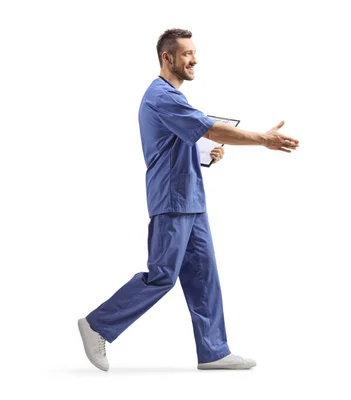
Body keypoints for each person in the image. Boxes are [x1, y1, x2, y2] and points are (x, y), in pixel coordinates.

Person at [78, 28, 299, 372]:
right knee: (162, 275)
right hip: (172, 198)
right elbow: (209, 128)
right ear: (167, 58)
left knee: (203, 274)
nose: (194, 59)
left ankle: (214, 351)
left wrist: (204, 152)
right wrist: (263, 139)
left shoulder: (171, 97)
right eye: (186, 54)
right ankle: (98, 325)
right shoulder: (162, 96)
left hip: (191, 199)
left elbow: (184, 140)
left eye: (194, 53)